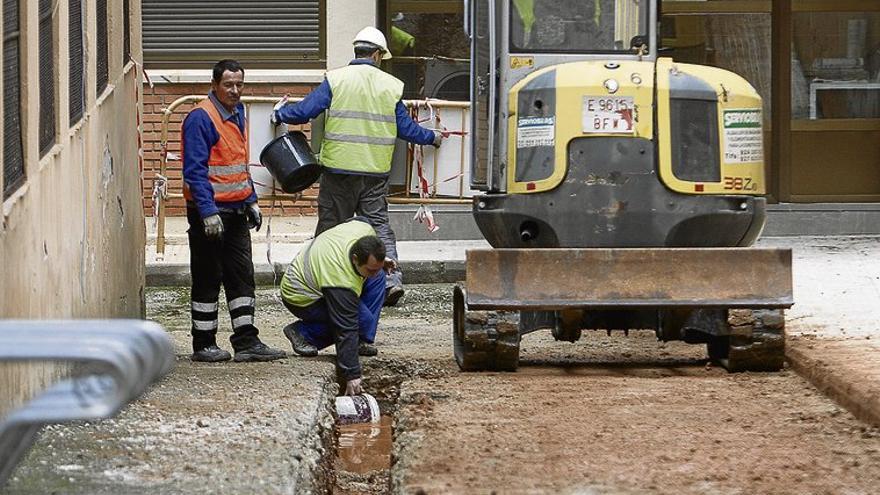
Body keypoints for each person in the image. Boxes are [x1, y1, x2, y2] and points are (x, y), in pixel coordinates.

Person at [272, 26, 443, 308]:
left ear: (358, 52)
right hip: (374, 173)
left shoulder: (336, 79)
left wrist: (280, 113)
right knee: (378, 226)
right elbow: (406, 128)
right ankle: (391, 280)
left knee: (330, 229)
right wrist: (433, 137)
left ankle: (320, 283)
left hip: (338, 171)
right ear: (377, 55)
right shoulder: (390, 85)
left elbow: (305, 111)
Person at [182, 59, 287, 363]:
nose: (235, 90)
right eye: (229, 84)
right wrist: (206, 211)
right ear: (214, 84)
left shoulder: (236, 113)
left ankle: (246, 340)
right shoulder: (201, 118)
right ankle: (203, 344)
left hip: (236, 210)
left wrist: (251, 199)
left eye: (239, 84)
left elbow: (238, 163)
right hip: (211, 214)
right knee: (207, 276)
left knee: (242, 277)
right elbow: (195, 171)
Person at [280, 218, 392, 395]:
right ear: (355, 259)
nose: (374, 271)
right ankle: (303, 333)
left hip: (324, 278)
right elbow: (345, 326)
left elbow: (358, 220)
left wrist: (380, 263)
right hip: (301, 297)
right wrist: (352, 374)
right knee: (359, 322)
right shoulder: (340, 279)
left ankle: (360, 341)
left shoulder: (364, 228)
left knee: (378, 278)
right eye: (370, 268)